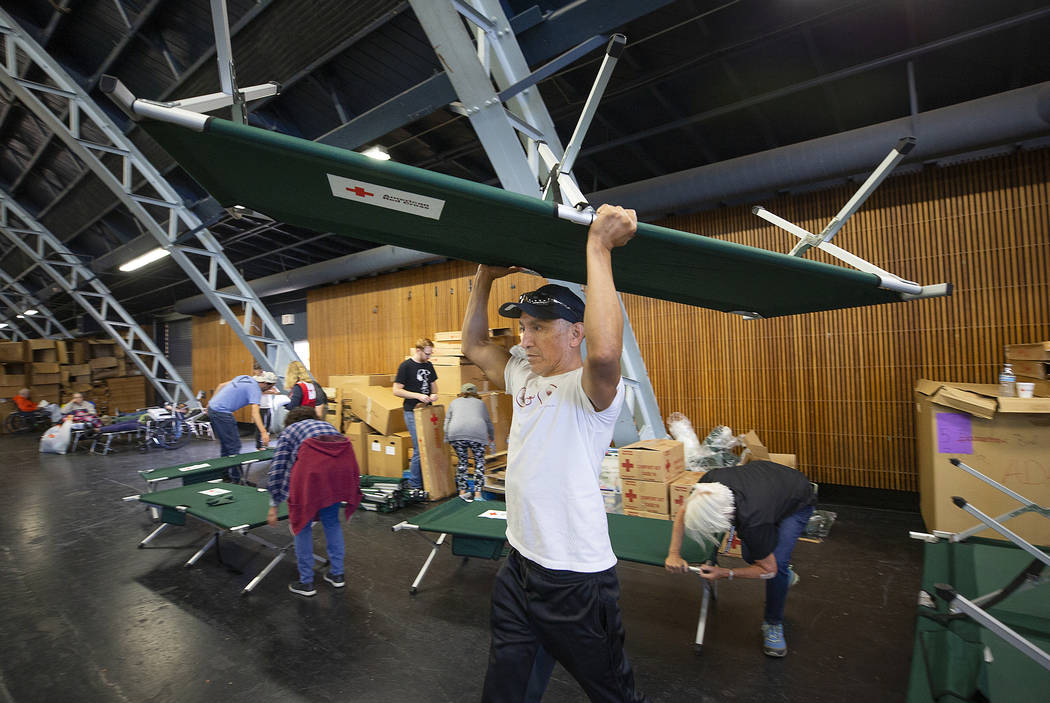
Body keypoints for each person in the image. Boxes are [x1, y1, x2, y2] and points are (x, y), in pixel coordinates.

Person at [462, 204, 646, 702]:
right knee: (506, 688)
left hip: (575, 579)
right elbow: (475, 344)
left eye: (539, 327)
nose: (525, 339)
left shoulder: (592, 391)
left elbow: (607, 354)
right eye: (523, 327)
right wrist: (483, 277)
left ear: (574, 333)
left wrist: (599, 247)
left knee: (614, 693)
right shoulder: (523, 374)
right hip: (519, 561)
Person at [664, 460, 816, 658]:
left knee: (776, 567)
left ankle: (773, 624)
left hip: (797, 498)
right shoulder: (708, 484)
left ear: (727, 516)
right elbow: (684, 511)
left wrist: (725, 573)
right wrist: (674, 553)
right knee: (750, 555)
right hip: (768, 486)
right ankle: (783, 577)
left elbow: (767, 569)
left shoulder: (753, 522)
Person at [266, 406, 362, 597]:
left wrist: (274, 504)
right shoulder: (328, 427)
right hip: (339, 476)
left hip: (312, 476)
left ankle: (306, 582)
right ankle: (337, 575)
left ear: (291, 421)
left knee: (302, 525)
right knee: (332, 522)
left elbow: (278, 468)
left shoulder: (290, 431)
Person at [207, 370, 277, 480]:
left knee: (227, 446)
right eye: (270, 387)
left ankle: (225, 476)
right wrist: (264, 432)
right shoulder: (255, 390)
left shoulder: (244, 378)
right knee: (234, 447)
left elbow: (221, 385)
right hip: (222, 413)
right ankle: (237, 479)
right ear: (264, 383)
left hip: (213, 408)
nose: (270, 389)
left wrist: (210, 403)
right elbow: (255, 413)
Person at [392, 338, 438, 490]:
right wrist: (417, 395)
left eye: (430, 354)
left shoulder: (429, 365)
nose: (429, 357)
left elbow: (434, 387)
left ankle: (428, 480)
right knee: (419, 447)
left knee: (429, 445)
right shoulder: (406, 366)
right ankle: (414, 484)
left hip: (426, 411)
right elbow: (397, 390)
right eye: (427, 354)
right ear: (418, 350)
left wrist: (434, 396)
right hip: (412, 411)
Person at [444, 382, 494, 502]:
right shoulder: (480, 403)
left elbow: (447, 421)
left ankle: (462, 492)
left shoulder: (454, 402)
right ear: (475, 393)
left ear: (461, 392)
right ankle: (477, 494)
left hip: (456, 434)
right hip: (477, 433)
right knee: (479, 463)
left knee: (462, 462)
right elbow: (488, 422)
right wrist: (492, 436)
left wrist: (446, 437)